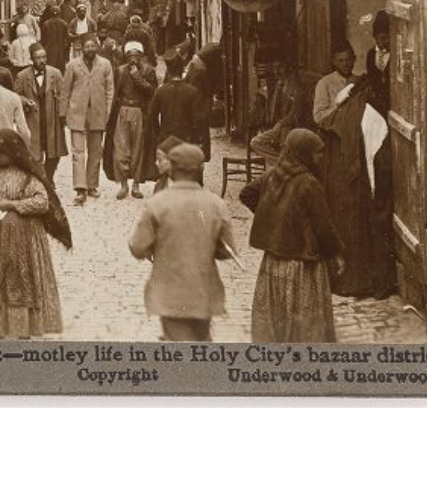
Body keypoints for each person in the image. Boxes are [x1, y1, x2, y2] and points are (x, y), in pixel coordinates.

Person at [0, 130, 69, 339]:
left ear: (12, 152)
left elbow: (42, 202)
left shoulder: (28, 175)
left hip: (26, 239)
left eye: (0, 153)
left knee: (23, 282)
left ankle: (25, 329)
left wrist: (12, 205)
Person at [128, 141, 235, 342]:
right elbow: (227, 251)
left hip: (170, 294)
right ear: (200, 169)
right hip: (204, 293)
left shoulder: (157, 204)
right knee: (201, 344)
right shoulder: (216, 205)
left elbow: (137, 248)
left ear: (172, 169)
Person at [248, 129, 346, 342]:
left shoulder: (272, 175)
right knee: (305, 320)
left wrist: (274, 216)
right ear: (303, 154)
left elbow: (247, 194)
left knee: (277, 315)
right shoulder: (309, 183)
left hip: (274, 261)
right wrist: (337, 254)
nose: (320, 158)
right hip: (302, 265)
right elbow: (324, 226)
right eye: (317, 153)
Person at [322, 81, 398, 298]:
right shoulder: (371, 117)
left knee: (347, 232)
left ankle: (346, 281)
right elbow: (373, 156)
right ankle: (367, 282)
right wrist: (374, 190)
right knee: (364, 230)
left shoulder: (339, 112)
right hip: (358, 185)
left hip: (339, 187)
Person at [64, 34, 114, 204]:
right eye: (87, 46)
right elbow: (66, 91)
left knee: (95, 152)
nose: (90, 49)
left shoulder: (105, 65)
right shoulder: (72, 65)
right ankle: (80, 188)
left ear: (97, 47)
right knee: (78, 153)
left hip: (98, 114)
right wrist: (64, 113)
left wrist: (108, 112)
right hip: (77, 113)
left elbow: (110, 90)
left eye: (93, 46)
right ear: (82, 48)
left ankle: (92, 185)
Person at [105, 41, 158, 200]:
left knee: (138, 150)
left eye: (136, 54)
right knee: (120, 149)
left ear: (141, 56)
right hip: (122, 111)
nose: (133, 58)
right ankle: (123, 184)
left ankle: (136, 184)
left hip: (140, 113)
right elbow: (113, 93)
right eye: (130, 54)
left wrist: (137, 77)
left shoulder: (148, 71)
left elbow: (152, 92)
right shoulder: (119, 71)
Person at [147, 55, 213, 177]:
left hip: (166, 138)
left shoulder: (160, 91)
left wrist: (159, 133)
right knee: (187, 174)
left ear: (169, 71)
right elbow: (198, 120)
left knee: (165, 175)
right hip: (186, 139)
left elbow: (151, 117)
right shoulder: (192, 91)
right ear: (182, 70)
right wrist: (197, 141)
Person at [13, 42, 68, 185]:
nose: (42, 61)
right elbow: (15, 96)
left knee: (54, 152)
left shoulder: (55, 74)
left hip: (52, 119)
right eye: (38, 58)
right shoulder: (22, 76)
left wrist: (63, 116)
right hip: (33, 119)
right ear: (31, 59)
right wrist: (25, 101)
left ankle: (49, 177)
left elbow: (63, 95)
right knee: (34, 152)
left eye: (44, 57)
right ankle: (40, 179)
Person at [314, 45, 359, 131]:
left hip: (354, 132)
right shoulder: (324, 83)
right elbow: (318, 117)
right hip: (332, 133)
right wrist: (338, 106)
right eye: (340, 61)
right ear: (334, 62)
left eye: (348, 60)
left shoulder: (358, 82)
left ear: (354, 59)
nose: (345, 64)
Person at [364, 12, 393, 111]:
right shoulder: (371, 55)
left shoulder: (395, 54)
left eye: (389, 37)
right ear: (374, 36)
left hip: (393, 102)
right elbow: (371, 78)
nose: (387, 41)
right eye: (383, 38)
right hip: (377, 103)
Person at [40, 0, 71, 71]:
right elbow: (67, 38)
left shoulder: (46, 24)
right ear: (59, 13)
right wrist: (66, 51)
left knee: (50, 67)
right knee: (60, 68)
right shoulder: (64, 24)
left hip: (49, 49)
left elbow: (43, 39)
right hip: (61, 48)